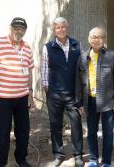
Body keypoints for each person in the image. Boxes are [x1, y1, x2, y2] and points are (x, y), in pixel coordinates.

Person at [0, 17, 35, 167]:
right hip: (2, 98)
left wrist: (30, 92)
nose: (18, 31)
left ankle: (21, 159)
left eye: (22, 29)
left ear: (25, 31)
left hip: (22, 97)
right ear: (10, 28)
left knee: (23, 131)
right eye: (16, 28)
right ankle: (1, 162)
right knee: (3, 133)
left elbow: (30, 71)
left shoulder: (27, 47)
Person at [41, 17, 84, 167]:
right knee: (55, 124)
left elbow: (81, 67)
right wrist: (47, 88)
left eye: (63, 27)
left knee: (76, 124)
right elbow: (45, 69)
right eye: (57, 27)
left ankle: (78, 154)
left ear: (67, 27)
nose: (61, 29)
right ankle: (58, 154)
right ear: (54, 30)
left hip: (72, 93)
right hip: (54, 93)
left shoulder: (76, 44)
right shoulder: (48, 47)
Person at [79, 27, 114, 167]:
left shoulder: (112, 55)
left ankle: (106, 161)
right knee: (91, 132)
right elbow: (78, 82)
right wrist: (79, 103)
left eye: (99, 37)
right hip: (90, 101)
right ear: (88, 38)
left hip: (108, 101)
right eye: (93, 36)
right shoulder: (82, 56)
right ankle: (93, 159)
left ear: (104, 39)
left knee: (108, 134)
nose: (96, 39)